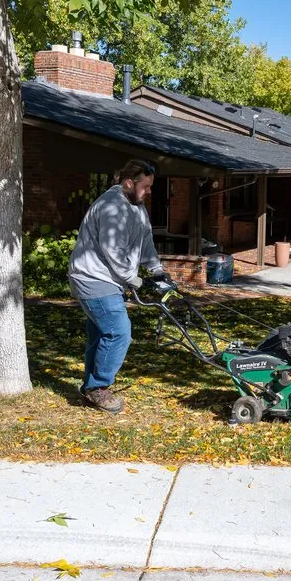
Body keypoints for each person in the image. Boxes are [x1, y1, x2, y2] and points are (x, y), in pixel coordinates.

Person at [67, 159, 171, 414]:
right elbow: (113, 251)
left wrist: (157, 271)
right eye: (144, 187)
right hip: (93, 278)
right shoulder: (112, 207)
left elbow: (144, 241)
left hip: (108, 279)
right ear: (128, 183)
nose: (147, 192)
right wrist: (134, 279)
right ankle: (98, 388)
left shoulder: (136, 206)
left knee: (101, 334)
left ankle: (91, 387)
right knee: (118, 332)